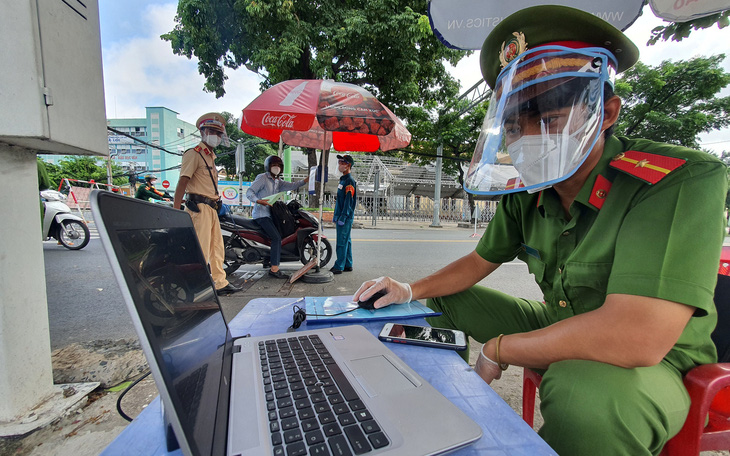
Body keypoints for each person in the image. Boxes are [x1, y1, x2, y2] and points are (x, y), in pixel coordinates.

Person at [354, 5, 728, 455]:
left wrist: (500, 347)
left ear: (606, 112)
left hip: (660, 365)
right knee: (442, 302)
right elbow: (478, 261)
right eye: (514, 126)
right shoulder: (527, 191)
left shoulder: (675, 180)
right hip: (560, 323)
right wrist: (409, 289)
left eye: (549, 119)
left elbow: (638, 335)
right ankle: (442, 417)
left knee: (586, 397)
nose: (530, 137)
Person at [173, 112, 241, 296]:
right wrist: (176, 210)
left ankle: (219, 282)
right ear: (202, 132)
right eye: (212, 131)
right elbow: (183, 182)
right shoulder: (193, 154)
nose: (216, 136)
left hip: (211, 208)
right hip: (198, 207)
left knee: (217, 248)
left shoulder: (210, 156)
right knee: (201, 248)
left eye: (219, 133)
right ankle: (196, 284)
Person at [246, 155, 308, 278]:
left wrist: (306, 180)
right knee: (276, 238)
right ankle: (274, 269)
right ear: (268, 167)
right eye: (274, 165)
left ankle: (267, 260)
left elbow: (292, 185)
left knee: (277, 235)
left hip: (271, 215)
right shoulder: (262, 178)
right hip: (261, 214)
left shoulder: (277, 182)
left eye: (279, 166)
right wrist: (259, 201)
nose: (276, 168)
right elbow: (249, 192)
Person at [330, 154, 357, 274]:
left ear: (348, 165)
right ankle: (348, 263)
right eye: (339, 162)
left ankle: (339, 266)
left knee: (341, 241)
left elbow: (348, 201)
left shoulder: (349, 181)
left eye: (342, 162)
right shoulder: (343, 180)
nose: (340, 164)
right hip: (341, 215)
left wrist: (343, 217)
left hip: (345, 217)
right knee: (347, 241)